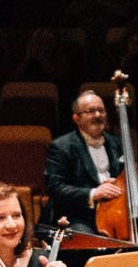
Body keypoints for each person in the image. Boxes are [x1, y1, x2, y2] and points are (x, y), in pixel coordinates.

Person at [46, 88, 126, 229]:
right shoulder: (61, 147)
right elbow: (55, 188)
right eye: (91, 111)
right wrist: (94, 193)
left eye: (101, 111)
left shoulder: (117, 143)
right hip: (78, 215)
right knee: (89, 244)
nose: (97, 115)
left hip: (115, 211)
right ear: (76, 118)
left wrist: (119, 182)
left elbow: (129, 177)